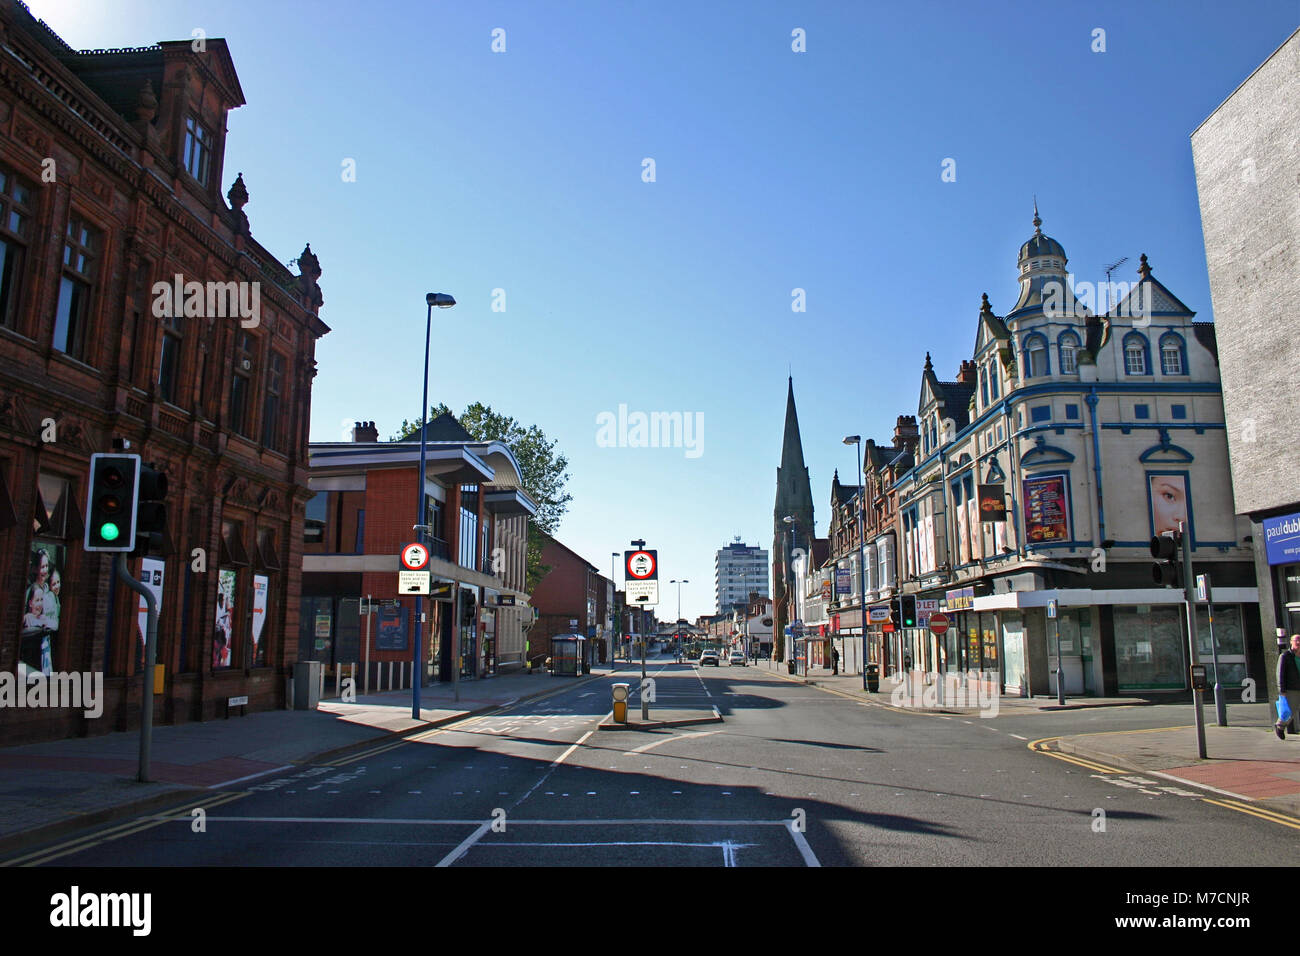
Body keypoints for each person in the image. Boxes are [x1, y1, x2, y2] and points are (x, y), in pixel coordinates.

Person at [1276, 634, 1300, 740]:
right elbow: (1280, 674)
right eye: (1296, 640)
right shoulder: (1285, 656)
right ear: (1291, 642)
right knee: (1290, 710)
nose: (1298, 643)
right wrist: (1282, 690)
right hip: (1291, 688)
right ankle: (1280, 726)